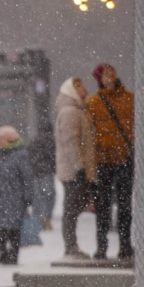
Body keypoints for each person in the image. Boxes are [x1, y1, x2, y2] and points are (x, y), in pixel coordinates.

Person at [85, 63, 135, 263]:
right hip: (103, 160)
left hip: (124, 158)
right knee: (103, 206)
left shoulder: (129, 99)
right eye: (105, 74)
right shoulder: (93, 102)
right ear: (99, 78)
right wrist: (100, 144)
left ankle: (125, 245)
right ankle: (102, 246)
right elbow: (89, 133)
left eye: (112, 72)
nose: (110, 76)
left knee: (125, 206)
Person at [54, 77, 97, 260]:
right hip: (73, 171)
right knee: (72, 209)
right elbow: (71, 142)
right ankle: (70, 245)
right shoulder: (71, 112)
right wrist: (79, 168)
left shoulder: (78, 111)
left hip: (76, 170)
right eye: (78, 86)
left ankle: (71, 244)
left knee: (74, 207)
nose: (83, 88)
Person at [0, 126, 34, 265]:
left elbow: (27, 178)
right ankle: (2, 255)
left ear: (9, 139)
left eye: (1, 138)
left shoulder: (21, 155)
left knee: (13, 229)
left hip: (14, 198)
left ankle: (13, 256)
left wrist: (28, 198)